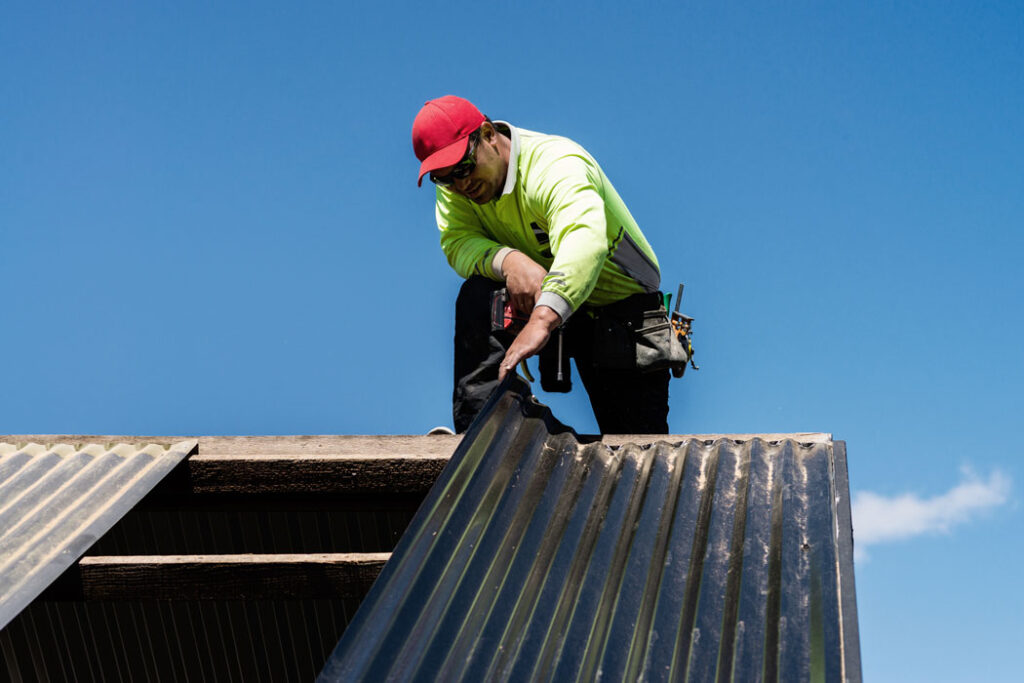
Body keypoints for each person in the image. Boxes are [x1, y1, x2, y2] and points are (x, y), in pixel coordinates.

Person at [412, 95, 674, 434]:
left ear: (489, 135)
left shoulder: (557, 163)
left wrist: (543, 319)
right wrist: (509, 260)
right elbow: (457, 241)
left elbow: (584, 239)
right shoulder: (456, 187)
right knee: (478, 295)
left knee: (635, 455)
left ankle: (553, 436)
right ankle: (481, 432)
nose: (461, 185)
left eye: (464, 169)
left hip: (621, 315)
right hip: (549, 302)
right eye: (445, 179)